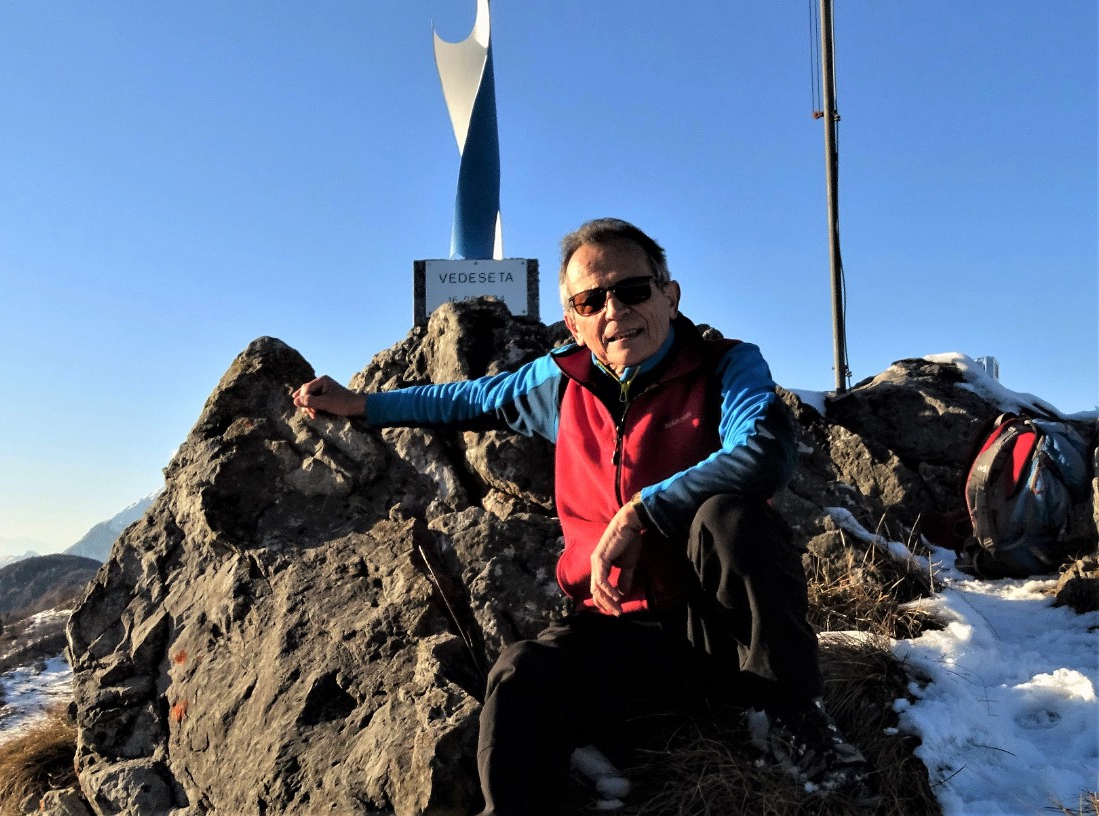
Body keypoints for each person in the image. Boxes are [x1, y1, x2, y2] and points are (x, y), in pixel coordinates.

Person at [292, 218, 880, 814]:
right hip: (624, 636)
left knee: (729, 518)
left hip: (724, 634)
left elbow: (764, 453)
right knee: (521, 674)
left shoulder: (727, 366)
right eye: (590, 301)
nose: (614, 310)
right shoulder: (561, 382)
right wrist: (363, 405)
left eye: (632, 290)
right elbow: (468, 398)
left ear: (670, 296)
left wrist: (642, 512)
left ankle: (795, 727)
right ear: (572, 320)